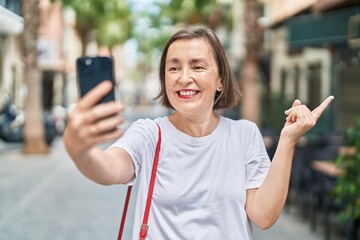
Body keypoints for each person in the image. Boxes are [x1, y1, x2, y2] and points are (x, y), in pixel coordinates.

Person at [63, 25, 334, 239]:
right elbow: (109, 169)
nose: (183, 77)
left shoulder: (244, 135)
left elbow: (263, 216)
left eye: (197, 66)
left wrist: (287, 141)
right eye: (173, 68)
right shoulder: (148, 134)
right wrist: (80, 152)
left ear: (220, 81)